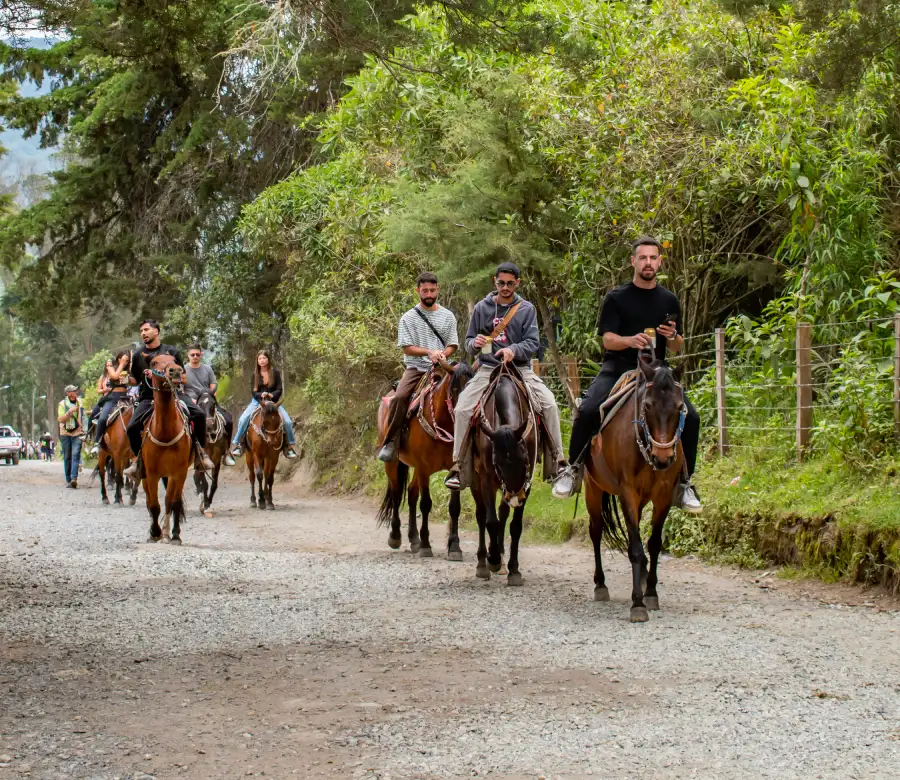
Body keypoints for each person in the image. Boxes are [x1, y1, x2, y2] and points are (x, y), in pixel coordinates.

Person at [552, 236, 701, 511]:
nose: (648, 263)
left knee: (691, 417)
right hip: (618, 366)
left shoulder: (669, 300)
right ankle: (573, 470)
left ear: (660, 262)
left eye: (652, 258)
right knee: (587, 410)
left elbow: (677, 345)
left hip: (657, 371)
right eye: (642, 258)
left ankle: (685, 483)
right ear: (633, 261)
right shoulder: (616, 298)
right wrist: (630, 341)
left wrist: (674, 336)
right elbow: (607, 340)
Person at [443, 262, 569, 490]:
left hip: (520, 369)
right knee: (462, 409)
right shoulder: (482, 307)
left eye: (510, 283)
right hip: (487, 369)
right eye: (501, 283)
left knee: (550, 404)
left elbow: (532, 343)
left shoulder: (526, 308)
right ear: (495, 281)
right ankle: (458, 467)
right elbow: (469, 341)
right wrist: (475, 343)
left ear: (517, 283)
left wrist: (513, 350)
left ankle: (558, 462)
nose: (505, 287)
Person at [378, 271, 459, 462]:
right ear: (418, 291)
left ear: (437, 289)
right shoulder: (408, 318)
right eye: (425, 291)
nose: (429, 294)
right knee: (399, 397)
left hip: (442, 366)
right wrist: (429, 352)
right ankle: (391, 441)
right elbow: (407, 348)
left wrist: (442, 355)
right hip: (416, 368)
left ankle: (471, 442)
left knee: (463, 390)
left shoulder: (448, 316)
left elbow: (453, 344)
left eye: (432, 290)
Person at [123, 319, 215, 479]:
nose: (143, 333)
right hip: (147, 397)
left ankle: (201, 454)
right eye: (141, 331)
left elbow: (184, 378)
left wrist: (159, 376)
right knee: (131, 427)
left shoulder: (171, 351)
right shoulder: (138, 355)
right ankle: (138, 461)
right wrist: (123, 377)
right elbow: (135, 380)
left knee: (199, 415)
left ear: (156, 331)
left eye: (146, 330)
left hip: (174, 395)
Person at [230, 350, 298, 460]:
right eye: (260, 358)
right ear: (257, 361)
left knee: (287, 421)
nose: (262, 360)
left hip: (273, 402)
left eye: (264, 358)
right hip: (257, 402)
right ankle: (239, 444)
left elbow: (279, 389)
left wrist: (271, 395)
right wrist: (261, 394)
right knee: (243, 419)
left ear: (268, 359)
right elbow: (253, 392)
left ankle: (288, 446)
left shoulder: (275, 372)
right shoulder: (255, 374)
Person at [184, 343, 235, 466]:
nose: (195, 356)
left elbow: (213, 385)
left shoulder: (207, 369)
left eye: (197, 354)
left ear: (201, 355)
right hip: (191, 401)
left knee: (228, 419)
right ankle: (187, 451)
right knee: (183, 422)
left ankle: (227, 451)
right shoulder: (183, 369)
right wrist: (191, 400)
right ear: (188, 355)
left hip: (207, 400)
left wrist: (210, 395)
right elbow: (181, 388)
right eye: (192, 355)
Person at [88, 350, 131, 457]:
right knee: (103, 418)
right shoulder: (111, 368)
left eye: (127, 359)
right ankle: (97, 442)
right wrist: (121, 365)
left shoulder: (128, 370)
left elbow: (128, 381)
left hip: (125, 398)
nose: (126, 361)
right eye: (124, 359)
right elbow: (115, 376)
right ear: (119, 359)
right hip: (112, 398)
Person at [57, 385, 84, 488]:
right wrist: (69, 412)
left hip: (77, 432)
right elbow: (60, 419)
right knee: (67, 456)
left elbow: (83, 416)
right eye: (73, 390)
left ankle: (74, 478)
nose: (76, 391)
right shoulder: (62, 404)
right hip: (65, 433)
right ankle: (68, 479)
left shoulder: (80, 402)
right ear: (68, 393)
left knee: (76, 454)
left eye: (76, 390)